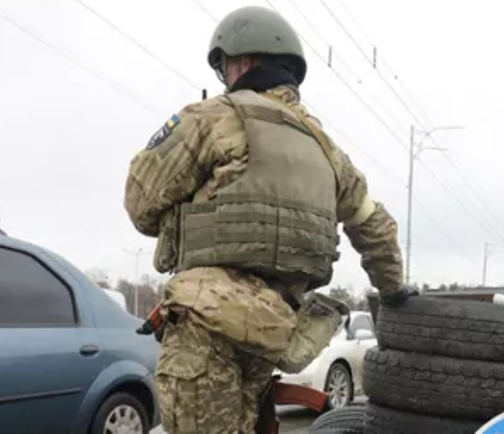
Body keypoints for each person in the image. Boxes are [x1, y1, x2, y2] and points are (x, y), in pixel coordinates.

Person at [124, 5, 412, 433]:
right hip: (274, 333)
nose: (225, 78)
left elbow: (140, 203)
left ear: (243, 62)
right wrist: (394, 293)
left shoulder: (212, 118)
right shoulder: (329, 152)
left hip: (205, 327)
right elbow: (375, 228)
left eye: (225, 67)